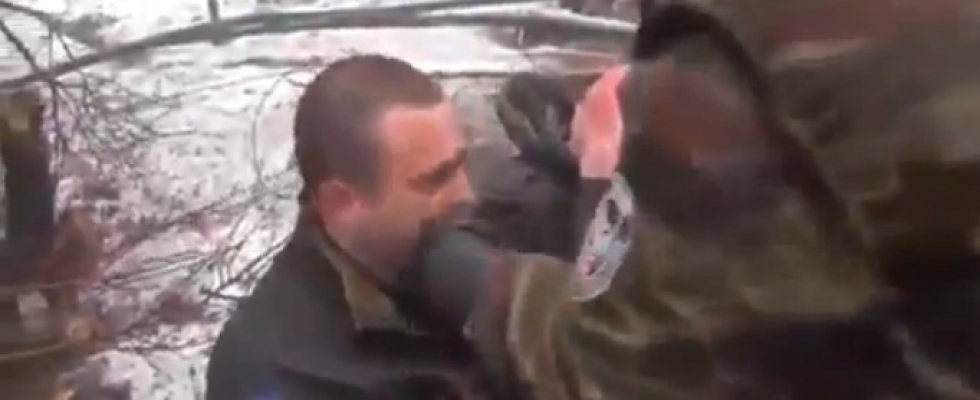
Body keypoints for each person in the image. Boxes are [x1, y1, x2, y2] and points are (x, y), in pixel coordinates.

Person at [205, 54, 568, 400]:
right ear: (340, 203)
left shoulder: (459, 241)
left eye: (462, 164)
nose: (466, 194)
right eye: (436, 179)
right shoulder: (277, 369)